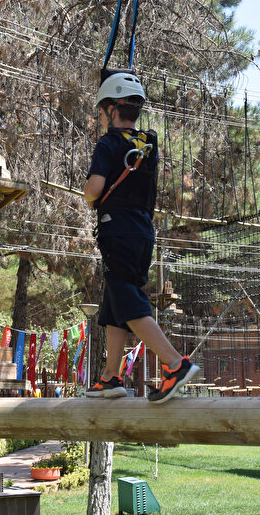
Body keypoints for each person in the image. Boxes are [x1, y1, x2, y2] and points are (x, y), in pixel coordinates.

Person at [83, 71, 200, 403]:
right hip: (142, 231)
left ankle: (175, 363)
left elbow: (94, 190)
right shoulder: (149, 143)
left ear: (111, 109)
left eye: (102, 110)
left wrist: (89, 195)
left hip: (116, 228)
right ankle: (110, 376)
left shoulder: (107, 144)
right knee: (115, 301)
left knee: (128, 298)